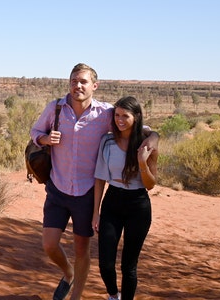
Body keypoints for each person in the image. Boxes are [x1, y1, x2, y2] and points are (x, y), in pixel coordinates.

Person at [30, 63, 158, 300]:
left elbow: (135, 127)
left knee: (82, 249)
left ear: (94, 86)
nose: (77, 85)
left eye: (83, 81)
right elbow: (35, 132)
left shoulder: (105, 114)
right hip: (57, 188)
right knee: (49, 244)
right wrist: (46, 139)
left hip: (86, 192)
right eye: (73, 81)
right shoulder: (56, 108)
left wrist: (155, 137)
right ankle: (68, 273)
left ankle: (76, 296)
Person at [92, 96, 158, 300]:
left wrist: (142, 163)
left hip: (138, 205)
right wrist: (96, 212)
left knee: (129, 265)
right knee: (105, 263)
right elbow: (100, 178)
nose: (120, 120)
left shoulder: (147, 144)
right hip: (112, 201)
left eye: (125, 116)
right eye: (117, 115)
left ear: (136, 117)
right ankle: (113, 295)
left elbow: (150, 184)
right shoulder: (107, 141)